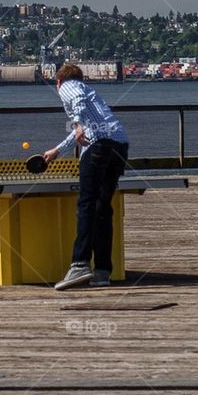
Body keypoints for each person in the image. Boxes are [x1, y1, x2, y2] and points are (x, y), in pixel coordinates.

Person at [43, 63, 129, 290]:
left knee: (86, 204)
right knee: (102, 209)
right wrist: (57, 151)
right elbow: (81, 130)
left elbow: (78, 104)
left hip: (98, 146)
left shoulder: (68, 85)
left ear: (58, 82)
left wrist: (77, 123)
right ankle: (102, 271)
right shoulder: (91, 93)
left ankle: (80, 264)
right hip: (119, 145)